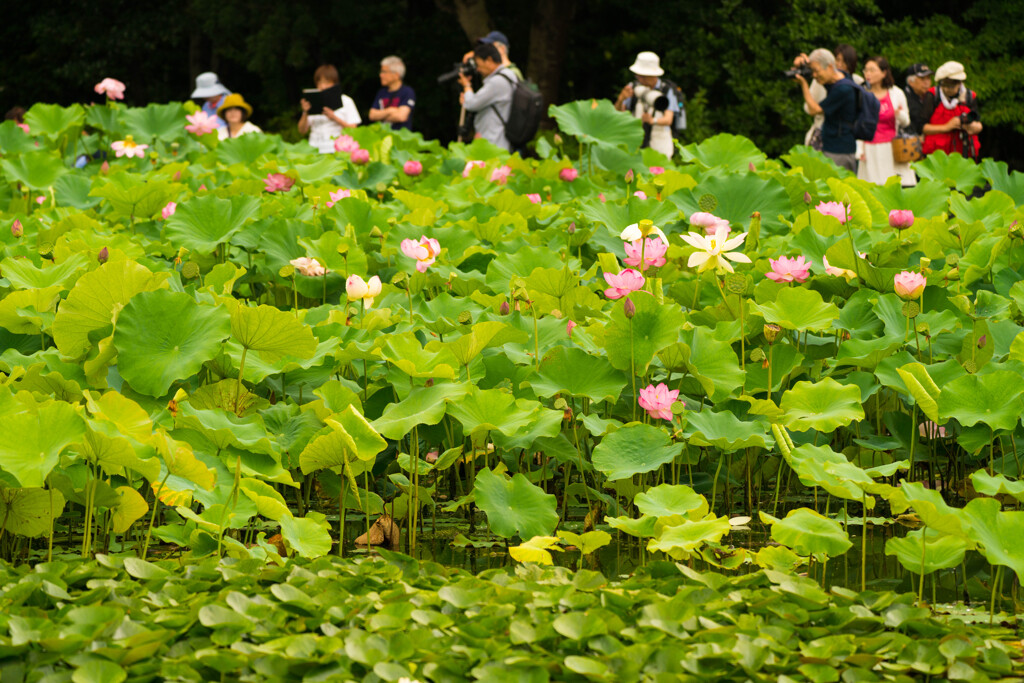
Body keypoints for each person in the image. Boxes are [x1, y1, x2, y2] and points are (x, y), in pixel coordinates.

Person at [794, 49, 858, 172]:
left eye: (816, 71)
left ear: (829, 67)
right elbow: (823, 64)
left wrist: (804, 84)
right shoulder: (841, 77)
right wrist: (806, 64)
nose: (814, 75)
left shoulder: (843, 89)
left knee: (837, 189)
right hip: (834, 147)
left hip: (839, 151)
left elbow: (814, 110)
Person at [857, 57, 915, 186]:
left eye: (872, 70)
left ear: (884, 73)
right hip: (869, 149)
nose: (868, 74)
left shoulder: (896, 93)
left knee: (892, 188)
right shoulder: (862, 94)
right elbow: (857, 124)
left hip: (892, 149)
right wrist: (859, 149)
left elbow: (906, 122)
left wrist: (899, 114)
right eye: (866, 70)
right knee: (872, 189)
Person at [614, 51, 677, 159]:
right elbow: (617, 114)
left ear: (654, 75)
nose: (640, 79)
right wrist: (621, 99)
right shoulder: (632, 87)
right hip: (635, 144)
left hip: (660, 145)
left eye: (643, 76)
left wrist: (652, 121)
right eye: (638, 76)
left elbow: (668, 119)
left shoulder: (667, 90)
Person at [799, 44, 863, 150]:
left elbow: (814, 110)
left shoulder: (853, 84)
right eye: (837, 60)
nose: (839, 64)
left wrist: (803, 84)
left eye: (844, 61)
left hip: (840, 139)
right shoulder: (820, 80)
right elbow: (808, 108)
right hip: (822, 133)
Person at [458, 42, 517, 151]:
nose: (478, 70)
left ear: (489, 60)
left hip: (494, 143)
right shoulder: (509, 75)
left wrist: (466, 86)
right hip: (502, 140)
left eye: (479, 65)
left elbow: (471, 104)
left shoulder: (497, 81)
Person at [922, 61, 982, 159]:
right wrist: (947, 127)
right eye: (944, 85)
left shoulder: (970, 96)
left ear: (959, 83)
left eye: (951, 86)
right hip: (938, 154)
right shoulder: (933, 95)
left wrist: (973, 127)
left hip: (964, 151)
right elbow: (922, 127)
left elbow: (978, 124)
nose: (947, 89)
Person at [298, 64, 361, 154]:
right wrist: (305, 112)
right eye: (320, 83)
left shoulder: (346, 101)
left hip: (336, 150)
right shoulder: (312, 102)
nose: (323, 86)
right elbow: (302, 131)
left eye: (327, 82)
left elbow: (353, 129)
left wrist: (334, 117)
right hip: (314, 149)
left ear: (334, 83)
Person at [368, 56, 416, 131]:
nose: (381, 75)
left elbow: (401, 117)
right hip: (382, 137)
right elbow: (372, 115)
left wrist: (381, 115)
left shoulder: (407, 92)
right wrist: (391, 110)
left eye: (384, 72)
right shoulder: (381, 92)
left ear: (396, 75)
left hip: (399, 139)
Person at [904, 63, 933, 135]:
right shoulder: (904, 98)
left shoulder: (931, 96)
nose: (927, 82)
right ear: (911, 82)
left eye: (928, 78)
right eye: (922, 79)